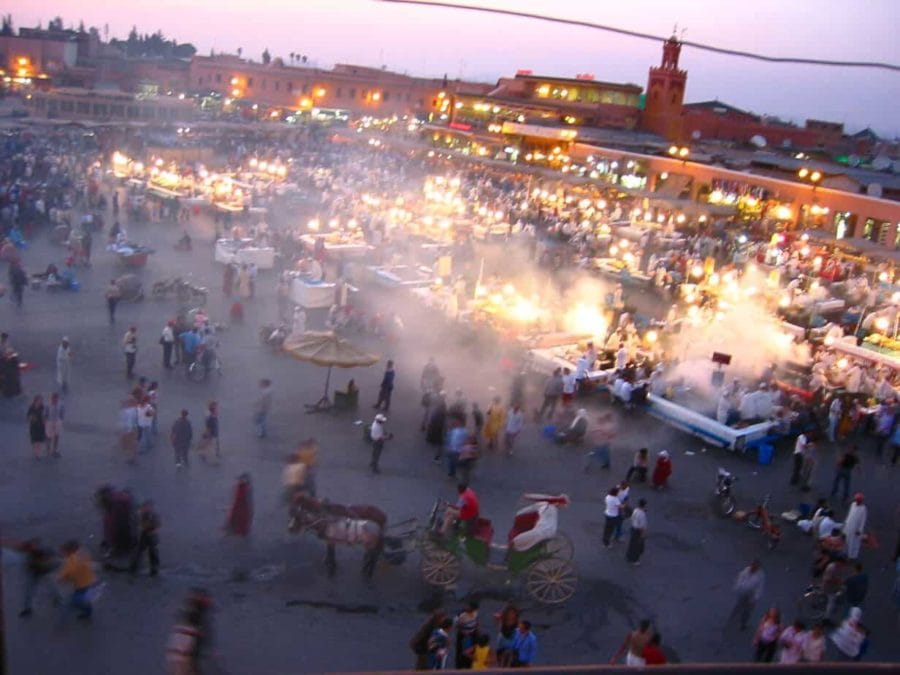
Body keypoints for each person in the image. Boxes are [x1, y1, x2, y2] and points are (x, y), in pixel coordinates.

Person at [57, 540, 97, 620]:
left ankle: (84, 610)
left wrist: (61, 579)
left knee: (75, 600)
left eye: (64, 552)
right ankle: (87, 612)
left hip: (81, 584)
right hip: (90, 581)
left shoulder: (71, 561)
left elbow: (65, 573)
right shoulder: (82, 554)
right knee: (85, 598)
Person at [16, 538, 55, 617]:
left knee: (51, 587)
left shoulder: (41, 551)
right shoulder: (30, 553)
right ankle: (28, 608)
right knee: (29, 591)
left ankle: (57, 598)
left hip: (42, 572)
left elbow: (51, 554)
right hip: (36, 573)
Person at [130, 501, 161, 576]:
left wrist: (152, 530)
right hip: (145, 534)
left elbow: (157, 525)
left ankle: (154, 568)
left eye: (146, 507)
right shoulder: (142, 514)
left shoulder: (153, 515)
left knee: (153, 552)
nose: (144, 509)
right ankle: (134, 567)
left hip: (152, 534)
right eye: (144, 507)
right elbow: (139, 524)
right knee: (139, 551)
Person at [732, 560, 765, 630]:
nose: (752, 568)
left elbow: (760, 587)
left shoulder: (760, 575)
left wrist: (756, 597)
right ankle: (737, 619)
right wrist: (737, 587)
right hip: (743, 592)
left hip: (751, 595)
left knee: (747, 611)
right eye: (752, 566)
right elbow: (739, 580)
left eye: (755, 567)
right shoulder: (745, 571)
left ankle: (743, 623)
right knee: (739, 606)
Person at [454, 600, 480, 669]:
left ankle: (470, 666)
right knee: (462, 653)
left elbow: (477, 622)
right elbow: (456, 625)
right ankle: (460, 667)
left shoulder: (475, 613)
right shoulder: (461, 616)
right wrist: (464, 632)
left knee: (472, 652)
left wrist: (477, 631)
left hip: (473, 634)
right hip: (463, 636)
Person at [844, 493, 868, 560]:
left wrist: (860, 530)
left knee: (854, 542)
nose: (857, 501)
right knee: (847, 540)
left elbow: (863, 520)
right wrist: (846, 523)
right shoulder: (853, 504)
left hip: (856, 528)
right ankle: (846, 553)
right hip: (849, 525)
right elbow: (849, 514)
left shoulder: (863, 509)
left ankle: (852, 555)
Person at [626, 498, 648, 565]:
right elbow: (642, 526)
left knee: (632, 544)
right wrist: (642, 535)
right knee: (637, 546)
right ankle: (635, 560)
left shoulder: (635, 510)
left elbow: (631, 518)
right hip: (638, 531)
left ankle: (629, 556)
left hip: (633, 528)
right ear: (644, 505)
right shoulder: (642, 514)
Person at [26, 395, 48, 459]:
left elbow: (46, 415)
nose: (40, 401)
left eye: (41, 400)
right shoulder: (31, 407)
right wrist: (30, 419)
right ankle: (36, 452)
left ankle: (37, 454)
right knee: (34, 440)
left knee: (39, 441)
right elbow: (28, 416)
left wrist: (45, 420)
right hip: (33, 426)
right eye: (39, 400)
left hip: (41, 426)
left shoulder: (43, 407)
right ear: (35, 401)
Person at [45, 391, 65, 458]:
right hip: (50, 421)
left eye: (56, 398)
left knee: (57, 435)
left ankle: (55, 450)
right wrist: (45, 421)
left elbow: (62, 413)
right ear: (51, 398)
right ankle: (48, 450)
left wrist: (61, 421)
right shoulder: (48, 404)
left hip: (57, 421)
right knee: (49, 436)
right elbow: (45, 413)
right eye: (53, 398)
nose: (55, 400)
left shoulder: (61, 404)